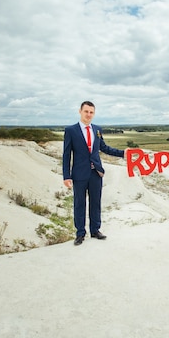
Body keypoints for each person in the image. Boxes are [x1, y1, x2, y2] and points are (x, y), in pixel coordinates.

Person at [63, 101, 125, 245]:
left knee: (95, 203)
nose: (89, 114)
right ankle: (80, 233)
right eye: (86, 111)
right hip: (79, 174)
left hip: (96, 173)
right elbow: (66, 155)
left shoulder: (97, 129)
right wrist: (66, 175)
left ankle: (95, 230)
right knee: (79, 203)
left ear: (94, 113)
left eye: (91, 112)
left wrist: (123, 153)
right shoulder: (71, 130)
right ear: (80, 111)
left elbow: (103, 147)